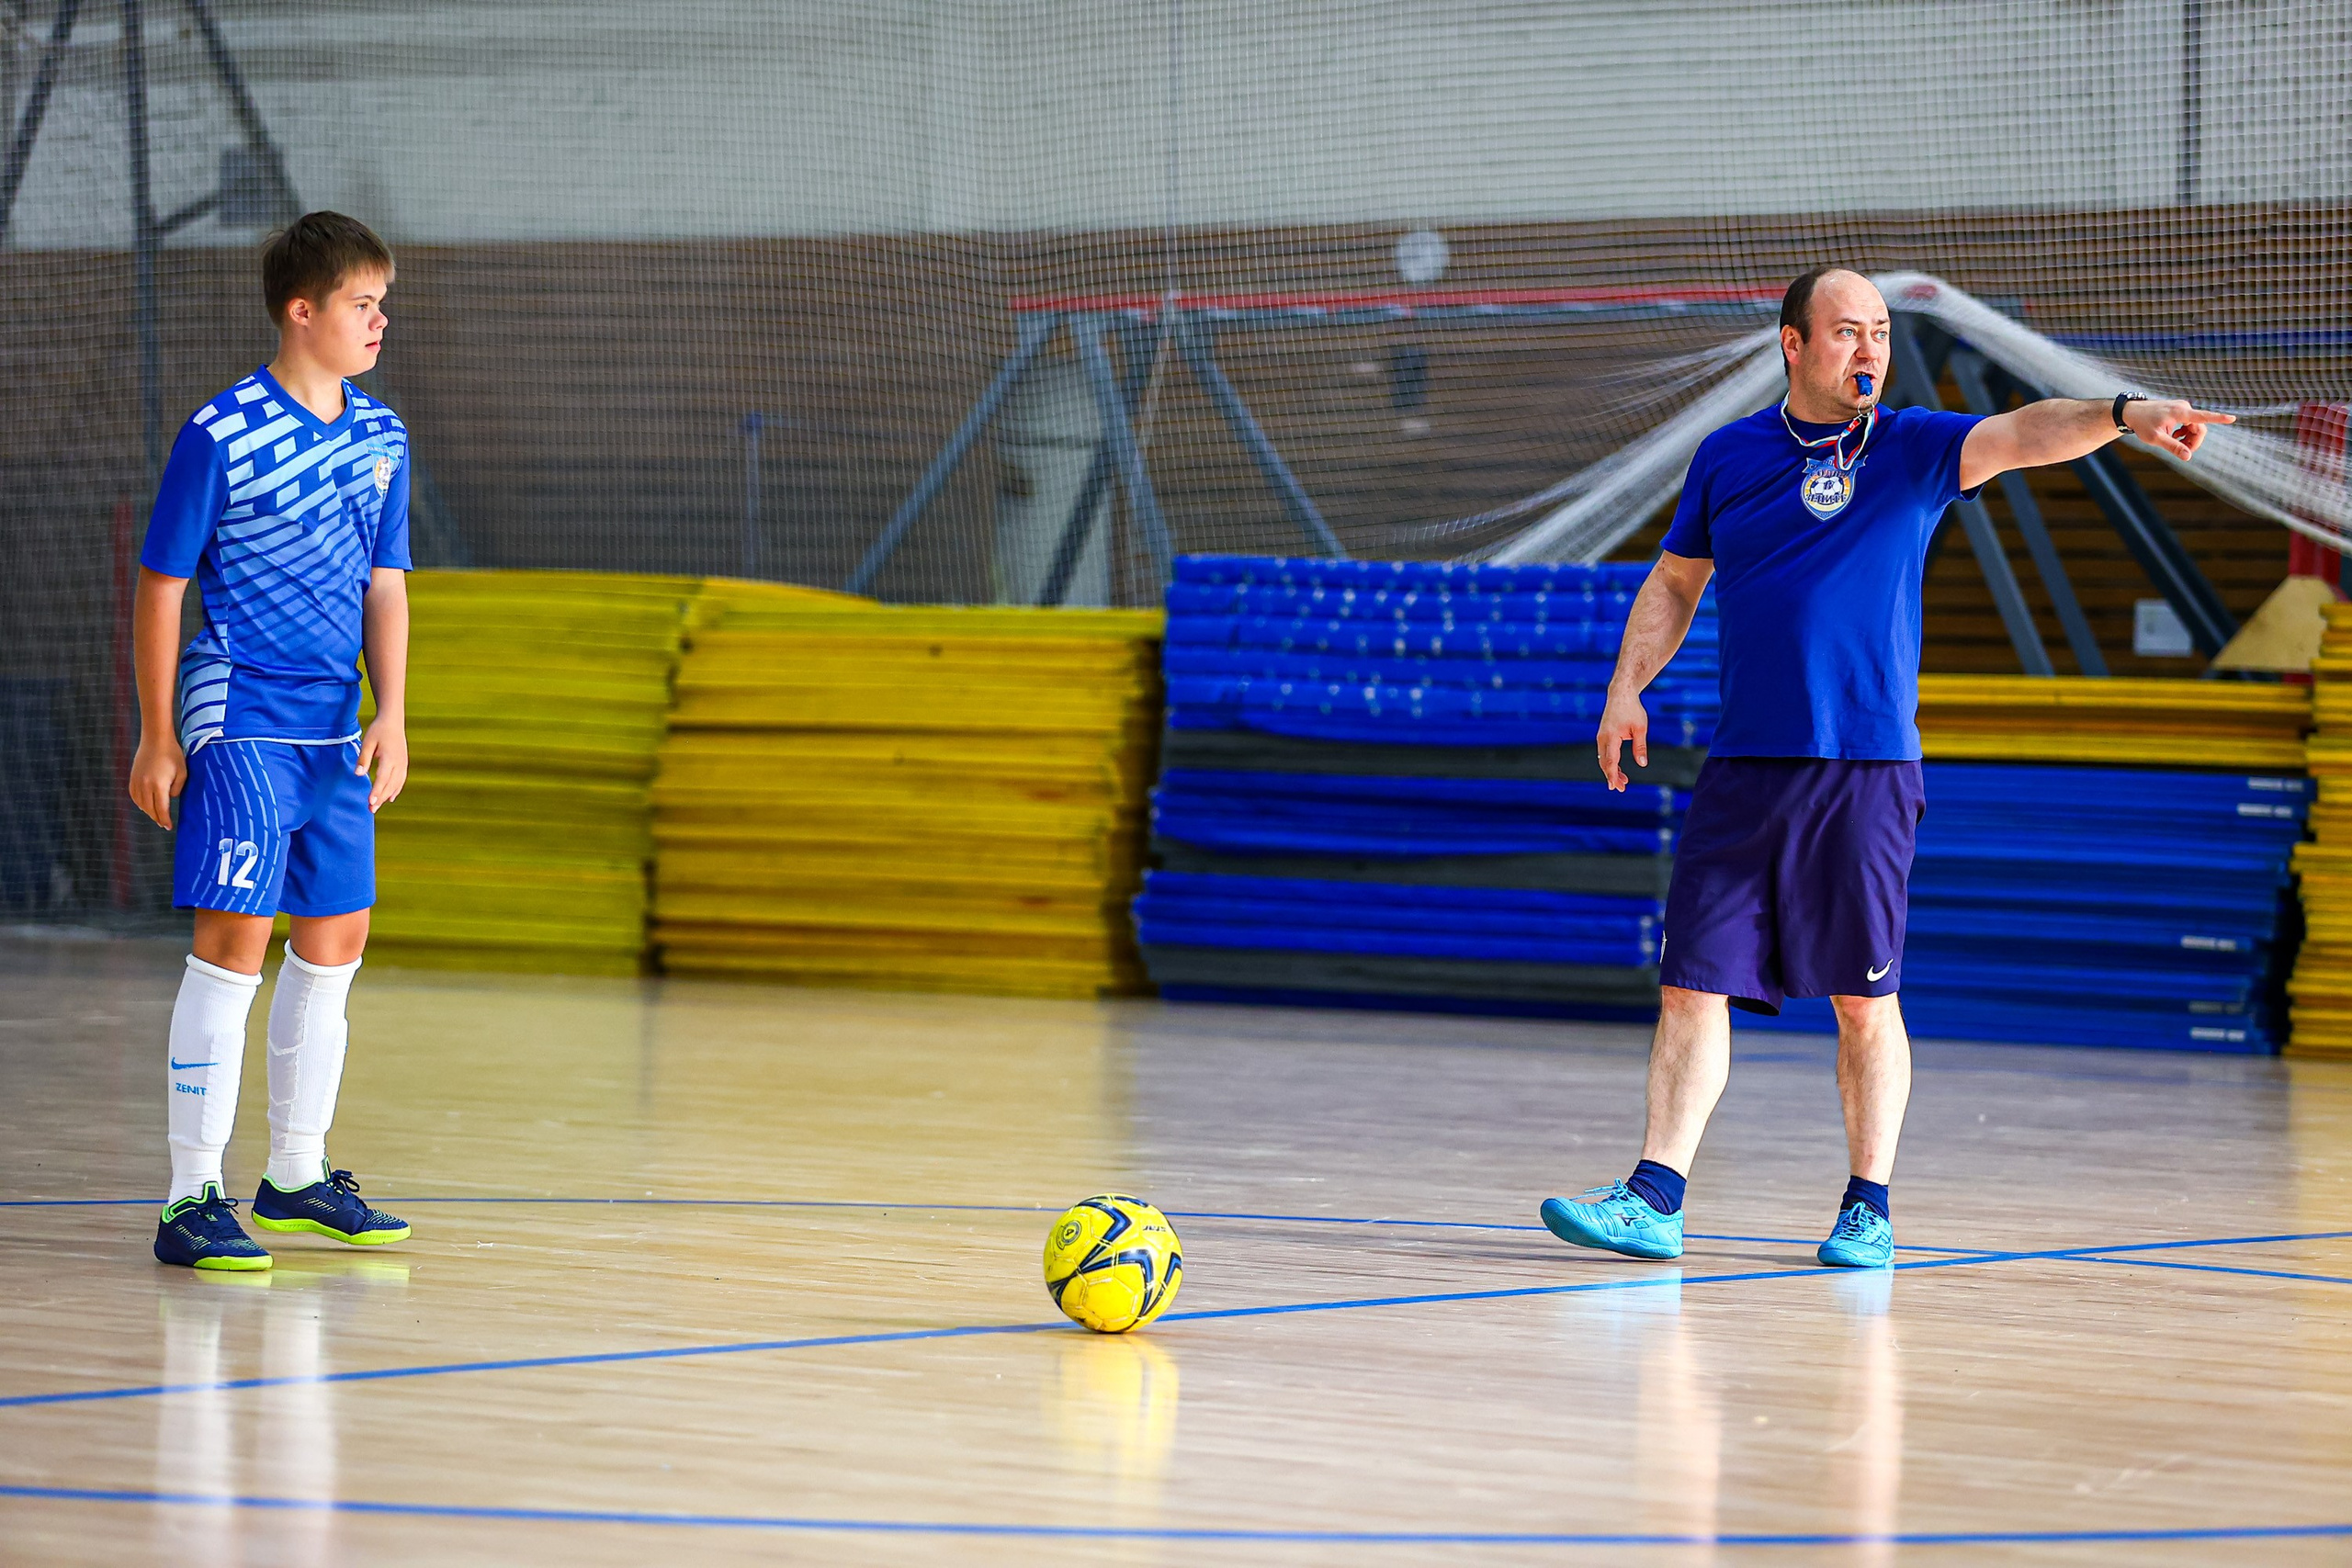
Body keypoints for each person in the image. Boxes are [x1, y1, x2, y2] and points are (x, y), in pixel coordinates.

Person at [1542, 266, 2231, 1269]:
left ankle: (1867, 1207)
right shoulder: (1727, 456)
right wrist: (1625, 686)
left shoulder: (1913, 448)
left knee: (1864, 1000)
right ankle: (1655, 1197)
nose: (1870, 350)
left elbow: (2027, 433)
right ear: (1793, 344)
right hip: (1745, 768)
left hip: (1863, 772)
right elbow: (1676, 582)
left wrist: (2123, 414)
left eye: (1879, 332)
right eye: (1846, 332)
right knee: (1691, 983)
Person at [130, 211, 415, 1270]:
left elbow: (385, 585)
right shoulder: (220, 433)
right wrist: (158, 734)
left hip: (333, 729)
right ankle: (189, 1196)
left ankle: (294, 1175)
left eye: (382, 304)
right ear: (302, 311)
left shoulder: (382, 438)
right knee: (233, 946)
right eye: (361, 304)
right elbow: (163, 586)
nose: (379, 322)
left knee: (336, 941)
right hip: (239, 716)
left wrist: (392, 713)